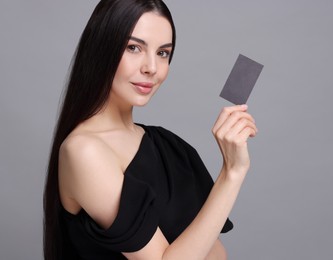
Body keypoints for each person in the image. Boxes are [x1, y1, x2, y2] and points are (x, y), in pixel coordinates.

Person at [43, 0, 258, 259]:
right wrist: (232, 173)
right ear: (102, 48)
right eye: (134, 48)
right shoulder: (83, 152)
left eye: (163, 53)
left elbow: (215, 254)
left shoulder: (169, 148)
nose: (152, 68)